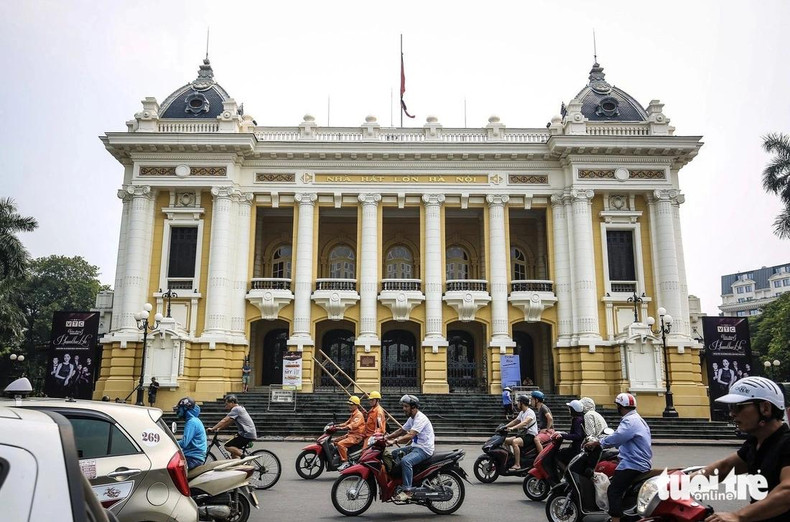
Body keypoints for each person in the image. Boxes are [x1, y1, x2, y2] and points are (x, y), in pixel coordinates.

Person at [694, 377, 790, 522]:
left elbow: (787, 491)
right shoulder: (755, 443)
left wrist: (738, 516)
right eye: (730, 408)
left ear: (765, 408)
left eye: (738, 407)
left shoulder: (787, 442)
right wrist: (676, 483)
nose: (732, 414)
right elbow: (724, 467)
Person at [586, 392, 652, 522]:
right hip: (637, 461)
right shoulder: (637, 419)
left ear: (621, 407)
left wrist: (598, 442)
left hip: (633, 463)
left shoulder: (630, 421)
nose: (617, 408)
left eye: (617, 406)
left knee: (613, 490)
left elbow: (618, 437)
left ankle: (616, 518)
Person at [385, 395, 435, 501]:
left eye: (406, 406)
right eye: (403, 406)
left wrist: (395, 441)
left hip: (424, 449)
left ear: (413, 407)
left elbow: (410, 435)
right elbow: (401, 430)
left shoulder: (420, 418)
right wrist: (386, 437)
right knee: (394, 454)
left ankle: (408, 490)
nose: (404, 409)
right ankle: (399, 480)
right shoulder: (412, 418)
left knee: (406, 461)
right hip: (415, 447)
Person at [207, 394, 258, 458]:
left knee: (227, 446)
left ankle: (244, 457)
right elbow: (229, 422)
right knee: (233, 453)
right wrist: (219, 428)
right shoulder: (240, 408)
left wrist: (213, 428)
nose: (226, 406)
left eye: (227, 403)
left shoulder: (236, 409)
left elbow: (225, 420)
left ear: (232, 402)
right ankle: (239, 466)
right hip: (248, 433)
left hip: (246, 434)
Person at [504, 394, 537, 471]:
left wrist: (513, 428)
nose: (517, 404)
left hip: (530, 436)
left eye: (518, 402)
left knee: (515, 442)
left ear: (522, 403)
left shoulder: (530, 412)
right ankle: (511, 458)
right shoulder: (522, 412)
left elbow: (525, 423)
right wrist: (505, 426)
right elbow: (515, 421)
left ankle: (517, 464)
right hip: (523, 435)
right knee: (505, 441)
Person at [174, 397, 207, 470]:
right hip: (194, 457)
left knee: (174, 469)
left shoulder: (191, 422)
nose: (178, 411)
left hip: (193, 459)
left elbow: (184, 443)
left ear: (185, 409)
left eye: (180, 408)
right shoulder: (195, 420)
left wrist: (172, 443)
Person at [335, 396, 366, 470]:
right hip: (350, 435)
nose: (349, 406)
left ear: (356, 405)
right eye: (349, 404)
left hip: (356, 436)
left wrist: (343, 428)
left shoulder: (359, 415)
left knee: (340, 444)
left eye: (351, 405)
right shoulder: (354, 414)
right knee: (335, 441)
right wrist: (336, 425)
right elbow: (347, 422)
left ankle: (345, 462)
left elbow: (353, 424)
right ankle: (342, 455)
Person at [556, 400, 586, 467]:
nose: (569, 410)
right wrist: (563, 434)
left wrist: (562, 435)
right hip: (577, 446)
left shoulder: (577, 420)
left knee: (559, 454)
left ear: (573, 410)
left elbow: (577, 435)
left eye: (570, 409)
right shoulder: (580, 418)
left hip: (577, 448)